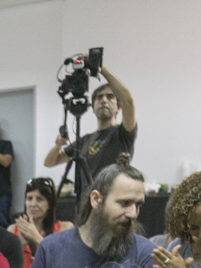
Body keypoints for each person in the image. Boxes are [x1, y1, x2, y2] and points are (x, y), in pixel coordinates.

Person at [17, 158, 155, 268]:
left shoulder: (146, 253)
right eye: (125, 203)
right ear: (96, 199)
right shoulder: (51, 248)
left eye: (138, 205)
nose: (133, 214)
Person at [44, 66, 138, 198]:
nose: (104, 100)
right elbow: (49, 162)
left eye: (110, 97)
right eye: (99, 97)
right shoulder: (85, 140)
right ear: (92, 108)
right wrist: (58, 145)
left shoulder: (122, 133)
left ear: (119, 107)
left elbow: (128, 100)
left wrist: (100, 68)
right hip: (88, 203)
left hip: (113, 201)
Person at [8, 177, 75, 268]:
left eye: (39, 199)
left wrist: (37, 238)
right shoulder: (13, 229)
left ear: (49, 204)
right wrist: (20, 245)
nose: (33, 204)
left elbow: (67, 265)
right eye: (29, 198)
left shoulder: (65, 228)